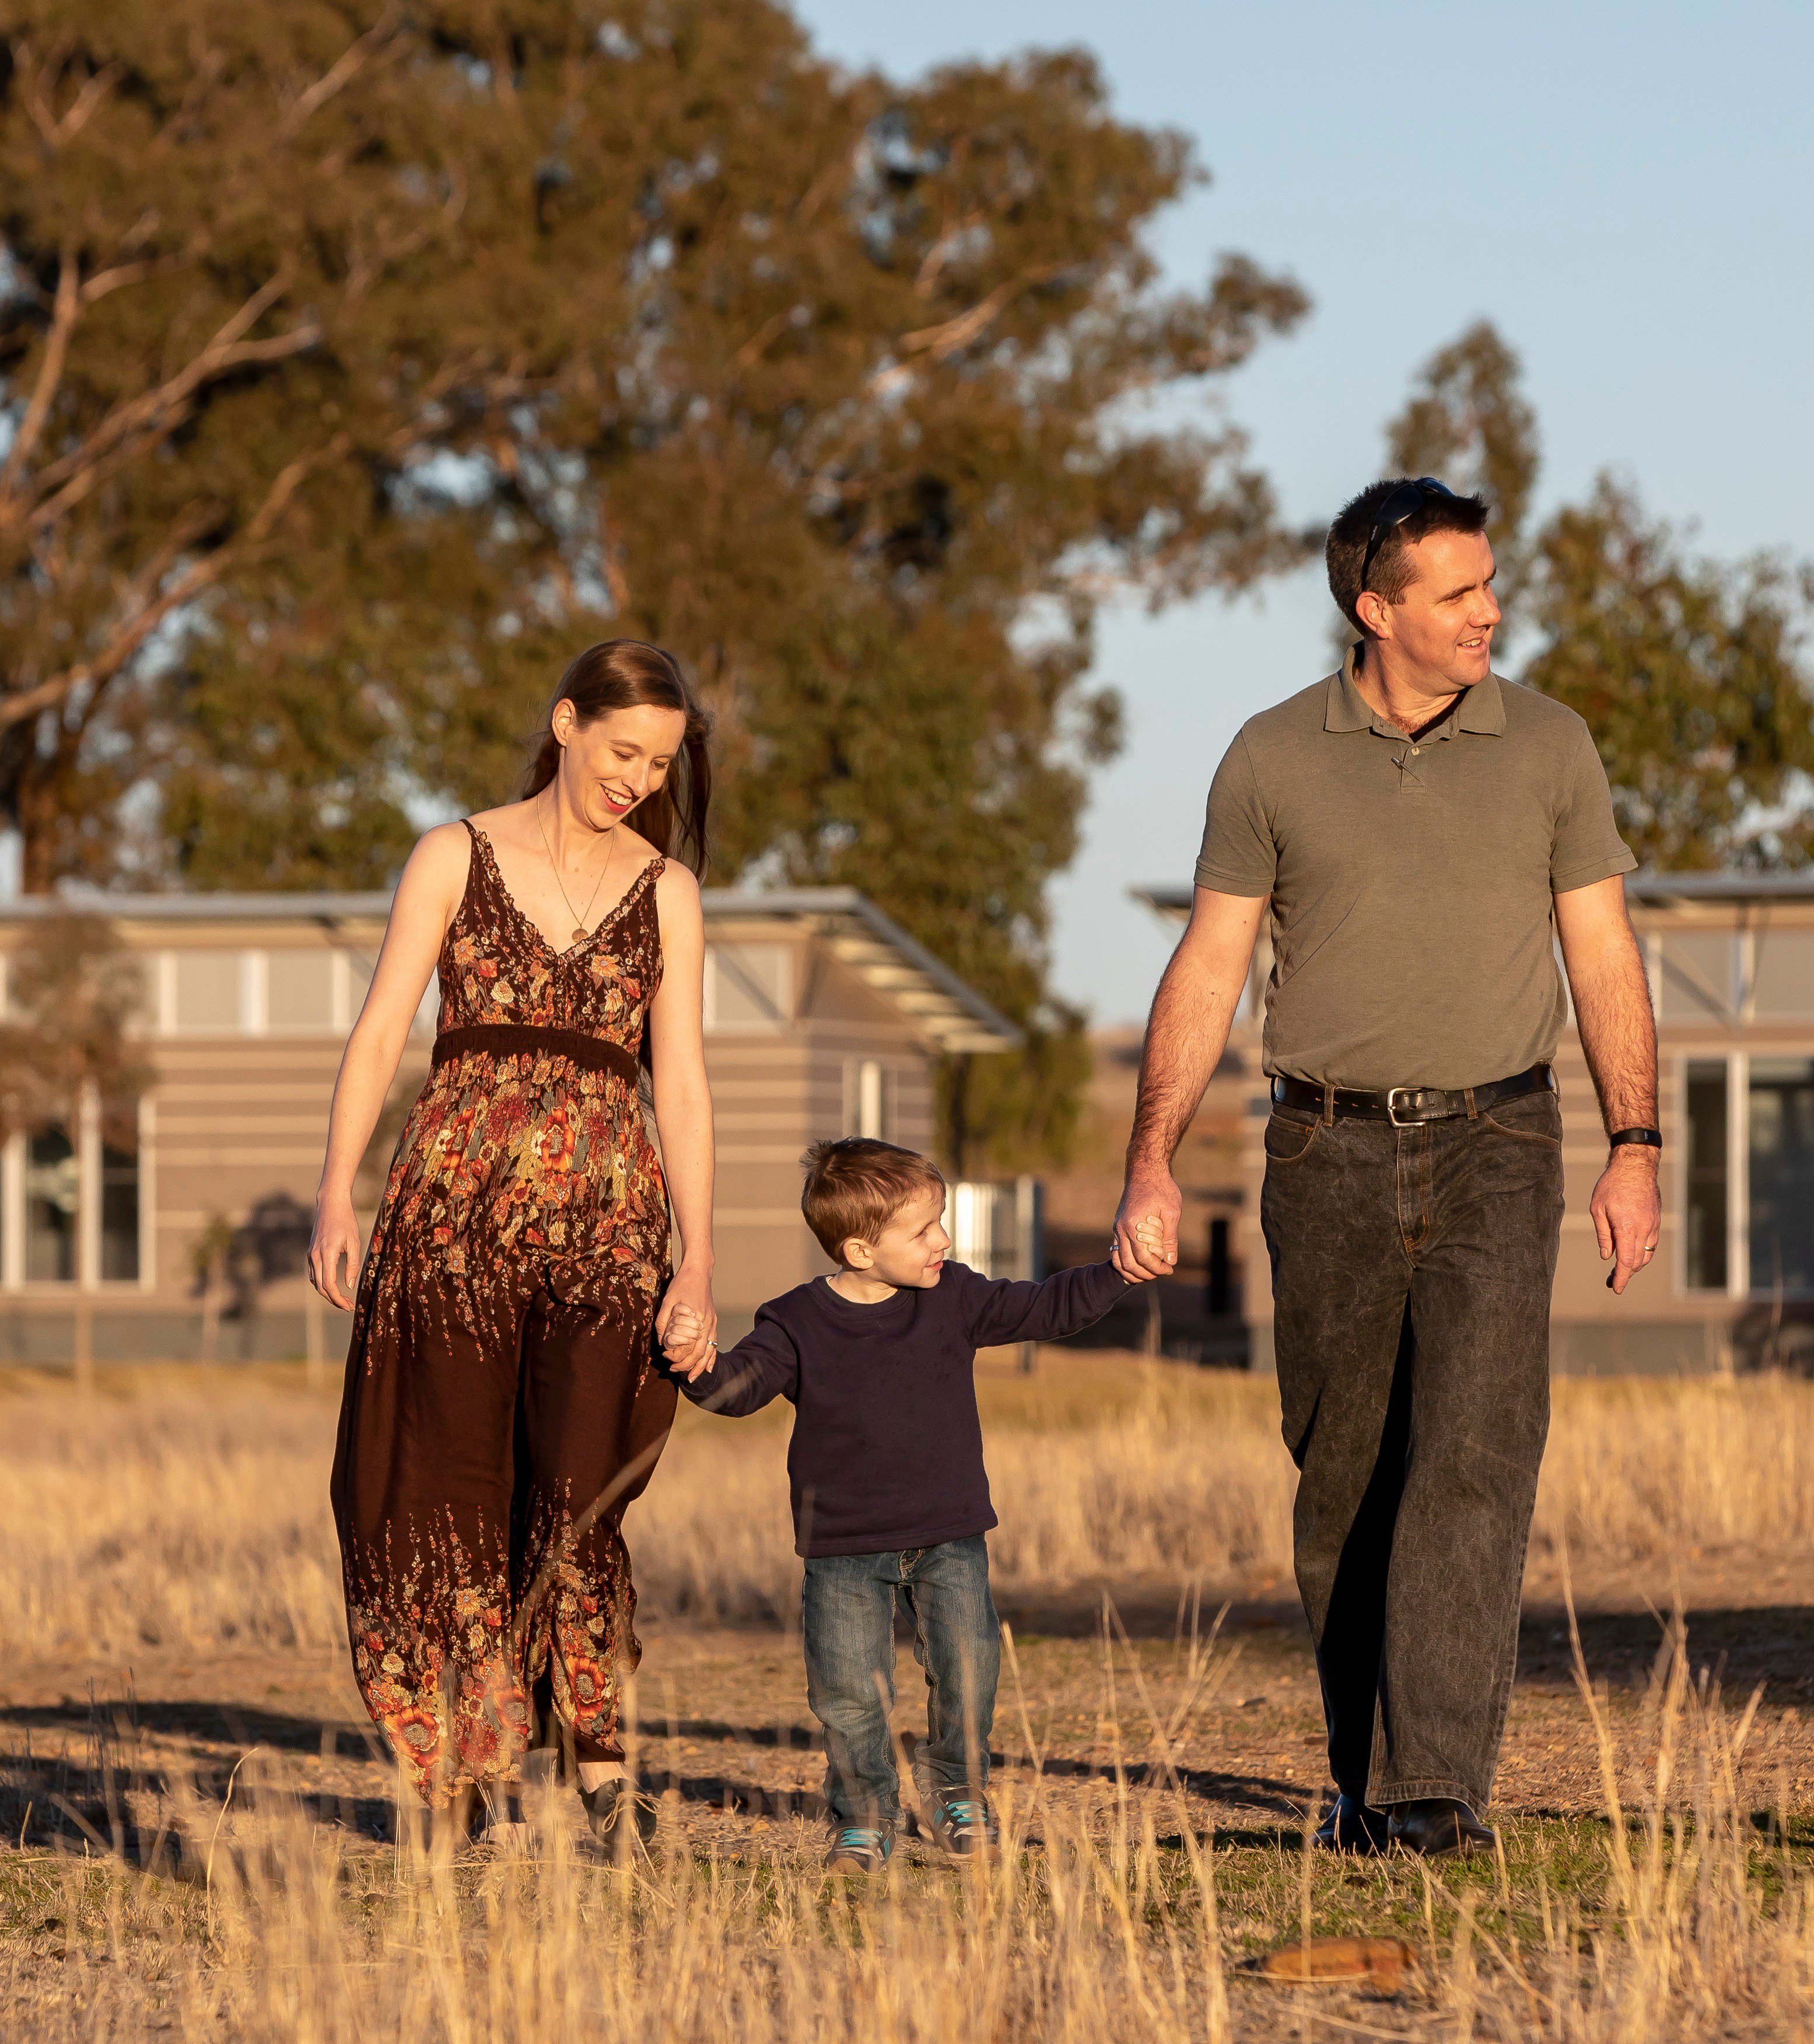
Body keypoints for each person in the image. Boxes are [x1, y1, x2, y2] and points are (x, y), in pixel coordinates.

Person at [1112, 476, 1663, 1857]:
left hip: (1500, 1138)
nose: (1490, 609)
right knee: (1342, 1470)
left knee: (1473, 1451)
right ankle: (1364, 1776)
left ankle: (1430, 1787)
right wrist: (1149, 1163)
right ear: (1376, 608)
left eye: (1488, 584)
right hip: (1318, 1143)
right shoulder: (1268, 757)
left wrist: (1633, 1141)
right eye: (1459, 591)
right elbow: (1209, 966)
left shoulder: (1547, 746)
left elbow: (1600, 951)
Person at [310, 640, 724, 1853]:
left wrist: (698, 1256)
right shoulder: (454, 855)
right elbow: (384, 1026)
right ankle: (462, 1774)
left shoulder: (670, 894)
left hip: (610, 1236)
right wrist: (335, 1193)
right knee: (445, 1495)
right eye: (622, 751)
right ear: (565, 724)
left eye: (660, 764)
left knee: (581, 1494)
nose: (638, 781)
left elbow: (684, 1082)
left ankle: (601, 1769)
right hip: (450, 1229)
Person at [669, 1138, 1127, 1873]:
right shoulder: (795, 1321)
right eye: (922, 1230)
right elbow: (738, 1388)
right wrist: (696, 1364)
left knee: (971, 1668)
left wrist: (1117, 1271)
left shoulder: (953, 1298)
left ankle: (957, 1792)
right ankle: (865, 1817)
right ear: (858, 1248)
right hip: (843, 1548)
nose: (943, 1240)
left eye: (939, 1221)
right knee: (848, 1692)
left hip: (950, 1535)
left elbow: (1045, 1306)